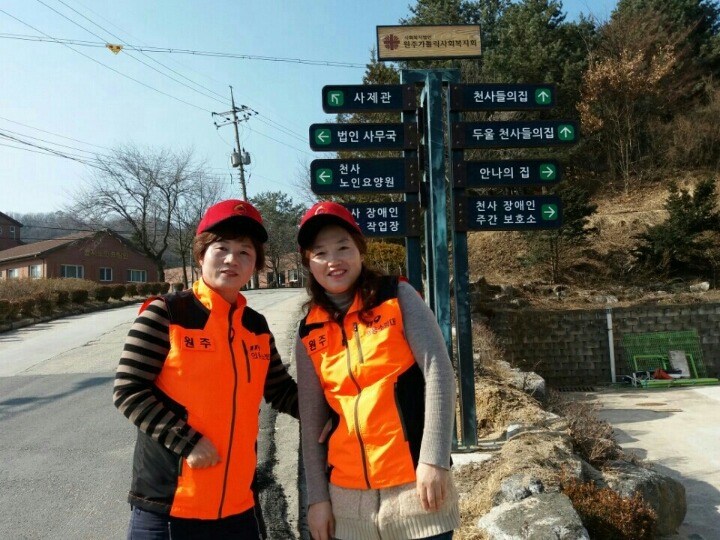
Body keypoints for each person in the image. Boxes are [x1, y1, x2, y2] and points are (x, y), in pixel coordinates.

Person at [113, 199, 298, 540]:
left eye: (244, 252)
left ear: (255, 264)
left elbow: (282, 391)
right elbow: (128, 390)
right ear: (201, 255)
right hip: (169, 509)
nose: (231, 259)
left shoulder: (255, 327)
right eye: (221, 248)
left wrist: (343, 411)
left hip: (239, 507)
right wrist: (187, 441)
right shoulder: (166, 313)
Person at [295, 202, 460, 540]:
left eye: (343, 247)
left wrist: (434, 459)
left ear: (360, 250)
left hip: (417, 489)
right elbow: (311, 422)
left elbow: (439, 373)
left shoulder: (397, 297)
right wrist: (317, 499)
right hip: (347, 503)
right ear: (308, 263)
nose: (333, 260)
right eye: (320, 253)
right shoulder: (309, 330)